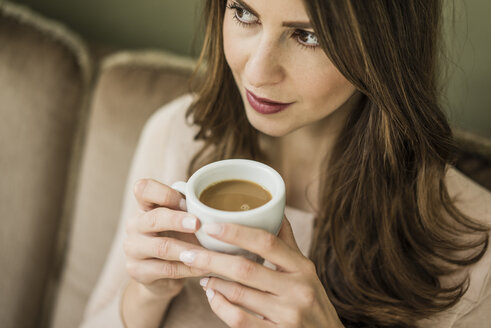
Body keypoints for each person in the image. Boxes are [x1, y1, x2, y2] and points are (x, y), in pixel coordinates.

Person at [80, 0, 491, 327]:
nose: (257, 73)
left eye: (307, 35)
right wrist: (149, 294)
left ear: (385, 45)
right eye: (244, 13)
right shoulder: (176, 134)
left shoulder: (477, 249)